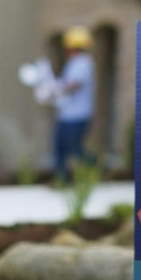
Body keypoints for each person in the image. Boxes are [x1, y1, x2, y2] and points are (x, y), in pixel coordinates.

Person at [54, 26, 95, 181]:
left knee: (75, 149)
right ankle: (62, 179)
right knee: (60, 148)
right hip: (66, 114)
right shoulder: (73, 63)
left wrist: (55, 89)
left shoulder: (83, 63)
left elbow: (74, 85)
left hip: (78, 115)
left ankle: (99, 168)